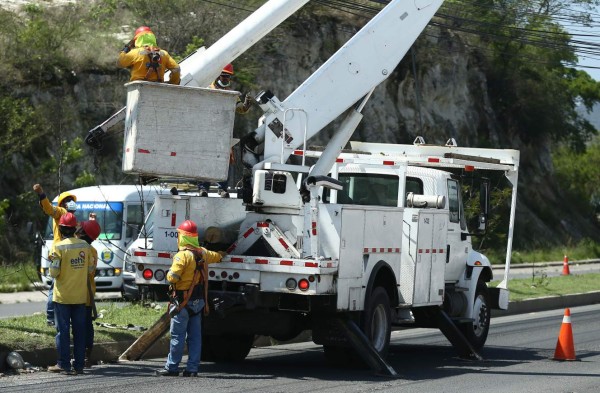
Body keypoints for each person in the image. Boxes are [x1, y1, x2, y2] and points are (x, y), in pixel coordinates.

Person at [156, 220, 225, 377]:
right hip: (198, 302)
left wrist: (169, 274)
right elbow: (217, 257)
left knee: (177, 336)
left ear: (182, 237)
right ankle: (192, 369)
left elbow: (172, 278)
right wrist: (222, 254)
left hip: (182, 301)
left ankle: (172, 367)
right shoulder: (203, 253)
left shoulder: (182, 256)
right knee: (195, 337)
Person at [47, 213, 95, 375]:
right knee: (80, 331)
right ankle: (79, 365)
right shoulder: (85, 247)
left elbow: (53, 272)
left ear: (60, 228)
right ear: (74, 228)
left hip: (62, 297)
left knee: (63, 331)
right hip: (80, 297)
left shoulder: (58, 247)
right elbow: (90, 270)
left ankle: (64, 364)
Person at [198, 63, 251, 197]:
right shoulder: (207, 88)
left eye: (228, 76)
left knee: (223, 160)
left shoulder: (231, 93)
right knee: (205, 159)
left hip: (223, 131)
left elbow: (240, 108)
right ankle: (203, 188)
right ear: (217, 75)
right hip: (207, 130)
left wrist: (246, 105)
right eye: (223, 75)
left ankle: (221, 188)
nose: (226, 78)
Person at [33, 184, 78, 327]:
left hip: (65, 252)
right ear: (63, 203)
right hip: (59, 253)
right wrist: (41, 194)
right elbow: (48, 209)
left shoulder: (70, 216)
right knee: (56, 285)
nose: (71, 202)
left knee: (64, 284)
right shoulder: (60, 212)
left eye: (72, 200)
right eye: (68, 200)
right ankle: (51, 316)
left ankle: (60, 315)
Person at [76, 220, 101, 368]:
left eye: (80, 228)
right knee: (86, 325)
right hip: (86, 294)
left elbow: (89, 271)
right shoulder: (92, 250)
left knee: (82, 325)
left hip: (81, 294)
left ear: (83, 233)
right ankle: (86, 356)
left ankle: (83, 356)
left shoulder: (85, 250)